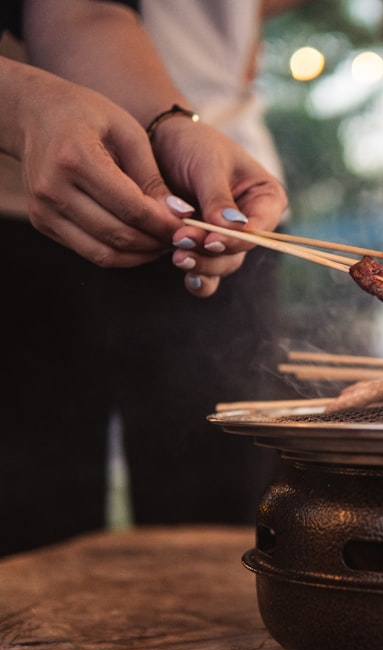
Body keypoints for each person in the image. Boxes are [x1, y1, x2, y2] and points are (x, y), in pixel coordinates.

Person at [0, 0, 291, 556]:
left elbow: (82, 10)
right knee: (26, 511)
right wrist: (20, 106)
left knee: (228, 521)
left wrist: (168, 123)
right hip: (25, 206)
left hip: (213, 186)